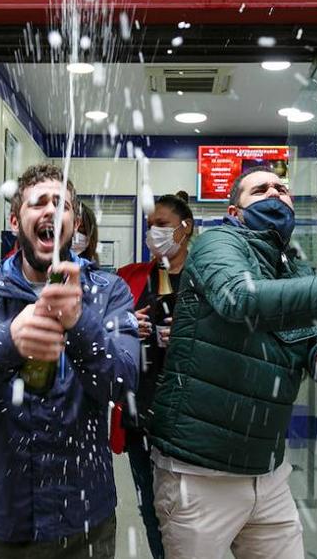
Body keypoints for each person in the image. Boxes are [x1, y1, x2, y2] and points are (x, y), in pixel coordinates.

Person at [147, 167, 317, 559]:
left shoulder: (291, 263)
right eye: (260, 189)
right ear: (235, 211)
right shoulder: (217, 243)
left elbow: (310, 335)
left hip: (268, 471)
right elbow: (241, 299)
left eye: (281, 188)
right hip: (199, 473)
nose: (275, 193)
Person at [0, 164, 139, 558]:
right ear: (16, 221)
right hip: (3, 520)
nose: (51, 211)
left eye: (62, 205)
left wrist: (80, 323)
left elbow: (122, 383)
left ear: (75, 222)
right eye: (38, 203)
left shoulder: (108, 291)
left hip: (84, 520)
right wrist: (8, 340)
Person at [113, 191, 195, 559]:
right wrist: (126, 326)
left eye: (162, 225)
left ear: (184, 229)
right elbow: (104, 329)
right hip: (140, 415)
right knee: (151, 509)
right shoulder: (131, 278)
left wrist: (189, 330)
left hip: (190, 417)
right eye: (150, 226)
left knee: (191, 512)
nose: (153, 233)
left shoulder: (204, 279)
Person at [0, 200, 99, 298]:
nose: (49, 212)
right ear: (15, 223)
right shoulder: (6, 271)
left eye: (83, 231)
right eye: (37, 205)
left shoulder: (101, 284)